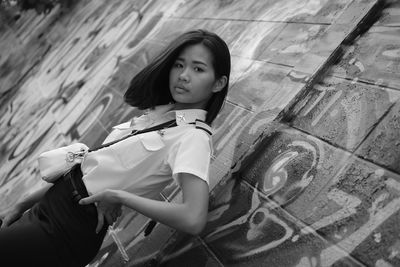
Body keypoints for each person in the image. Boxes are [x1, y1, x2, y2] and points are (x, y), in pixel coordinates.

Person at [0, 29, 231, 267]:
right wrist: (23, 203)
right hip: (49, 206)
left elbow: (193, 218)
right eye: (179, 65)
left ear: (218, 83)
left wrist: (120, 197)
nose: (183, 75)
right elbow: (86, 173)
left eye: (198, 69)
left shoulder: (193, 137)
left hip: (66, 228)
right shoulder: (158, 117)